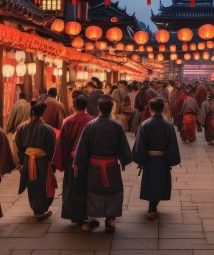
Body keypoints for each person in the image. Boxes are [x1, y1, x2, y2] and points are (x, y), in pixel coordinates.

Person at [73, 95, 132, 233]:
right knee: (113, 192)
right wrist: (124, 159)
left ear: (98, 108)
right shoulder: (117, 125)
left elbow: (82, 147)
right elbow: (123, 146)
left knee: (94, 191)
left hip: (94, 166)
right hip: (111, 165)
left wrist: (78, 163)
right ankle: (110, 219)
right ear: (111, 109)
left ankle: (93, 217)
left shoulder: (90, 126)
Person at [132, 98, 181, 220]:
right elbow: (172, 145)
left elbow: (140, 145)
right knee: (160, 183)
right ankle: (152, 207)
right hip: (163, 159)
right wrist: (170, 159)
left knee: (151, 183)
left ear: (151, 109)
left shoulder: (145, 125)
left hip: (149, 159)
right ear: (162, 108)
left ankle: (152, 207)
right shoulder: (169, 126)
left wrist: (141, 159)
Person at [51, 95, 95, 229]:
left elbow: (62, 144)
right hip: (89, 160)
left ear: (74, 106)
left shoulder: (68, 121)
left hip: (72, 160)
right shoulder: (92, 121)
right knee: (87, 187)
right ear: (86, 105)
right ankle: (87, 213)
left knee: (72, 188)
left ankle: (75, 215)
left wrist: (60, 162)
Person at [16, 103, 57, 220]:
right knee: (42, 184)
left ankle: (35, 207)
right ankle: (39, 209)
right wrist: (52, 163)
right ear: (43, 113)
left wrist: (21, 161)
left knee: (32, 184)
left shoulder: (22, 127)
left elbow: (19, 146)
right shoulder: (48, 129)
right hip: (42, 160)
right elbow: (52, 148)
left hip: (28, 159)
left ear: (32, 112)